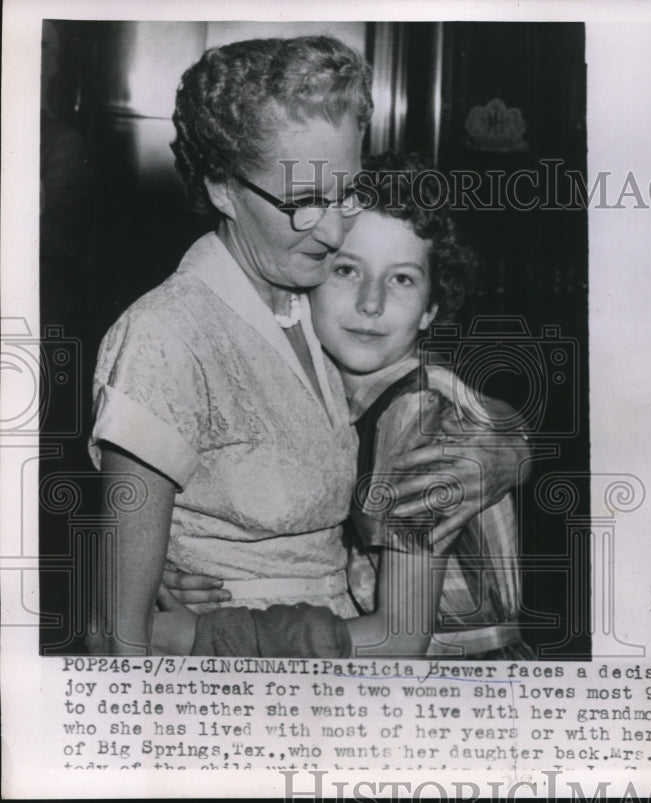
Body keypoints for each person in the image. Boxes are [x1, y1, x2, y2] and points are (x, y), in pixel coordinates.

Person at [87, 36, 523, 655]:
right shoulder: (167, 337)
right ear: (222, 187)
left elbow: (415, 391)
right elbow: (116, 638)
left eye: (346, 191)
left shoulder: (304, 301)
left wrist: (511, 444)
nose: (334, 228)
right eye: (303, 202)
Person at [153, 153, 534, 659]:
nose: (370, 303)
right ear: (306, 278)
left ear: (432, 307)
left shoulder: (419, 420)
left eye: (402, 279)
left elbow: (398, 640)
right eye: (347, 270)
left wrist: (197, 637)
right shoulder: (328, 390)